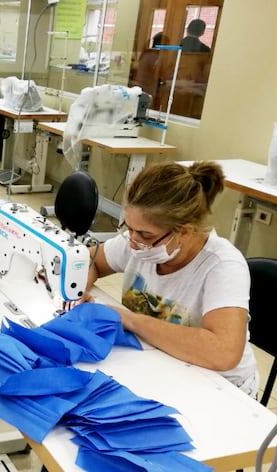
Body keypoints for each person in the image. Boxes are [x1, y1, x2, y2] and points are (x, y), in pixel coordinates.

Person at [84, 161, 258, 397]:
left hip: (218, 387)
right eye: (129, 227)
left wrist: (132, 320)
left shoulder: (222, 266)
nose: (132, 240)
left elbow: (223, 352)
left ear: (184, 231)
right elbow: (89, 261)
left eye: (145, 234)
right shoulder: (138, 242)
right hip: (160, 363)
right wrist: (77, 290)